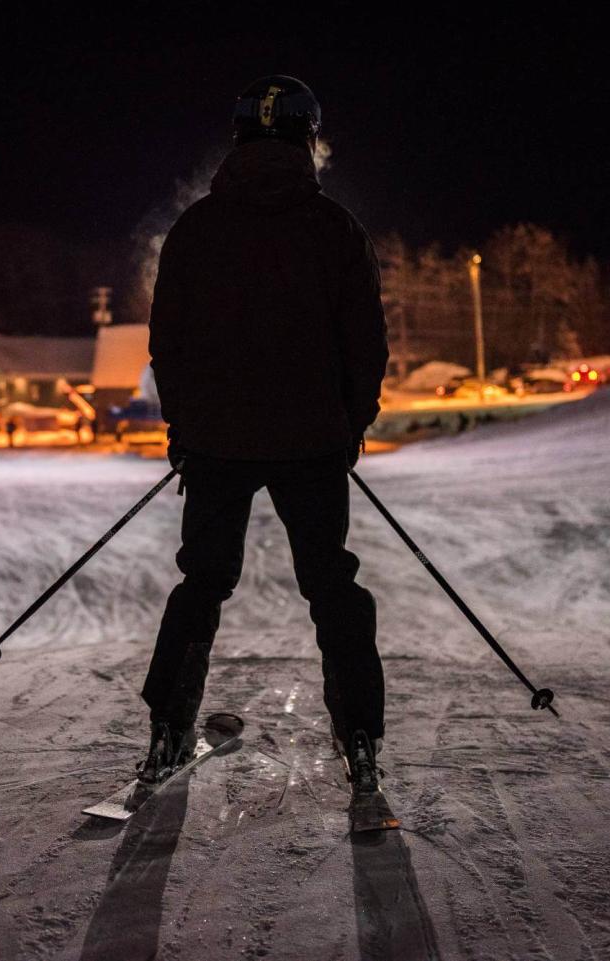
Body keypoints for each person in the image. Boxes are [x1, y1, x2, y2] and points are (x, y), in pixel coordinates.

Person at [139, 76, 390, 796]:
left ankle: (167, 729)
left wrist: (184, 427)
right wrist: (349, 425)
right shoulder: (333, 227)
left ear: (239, 139)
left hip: (217, 440)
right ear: (308, 139)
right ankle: (362, 738)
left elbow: (168, 343)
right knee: (330, 584)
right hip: (311, 440)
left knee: (204, 579)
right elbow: (364, 343)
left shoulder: (196, 228)